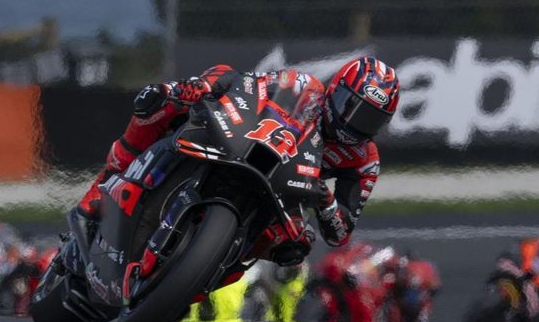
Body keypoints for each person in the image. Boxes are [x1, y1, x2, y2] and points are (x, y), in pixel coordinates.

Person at [73, 57, 400, 273]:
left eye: (370, 119)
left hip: (283, 193)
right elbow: (242, 82)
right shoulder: (302, 86)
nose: (354, 123)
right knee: (166, 104)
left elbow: (341, 234)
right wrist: (196, 89)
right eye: (351, 107)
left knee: (294, 248)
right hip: (243, 146)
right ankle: (104, 185)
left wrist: (326, 202)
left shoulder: (364, 160)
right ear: (336, 91)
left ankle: (200, 280)